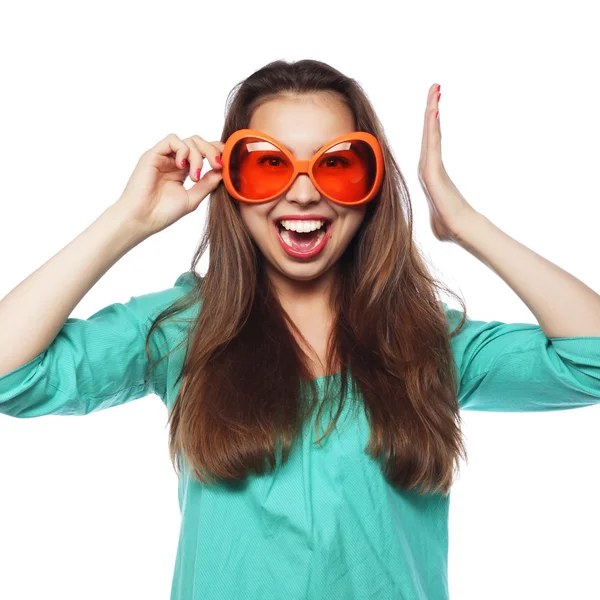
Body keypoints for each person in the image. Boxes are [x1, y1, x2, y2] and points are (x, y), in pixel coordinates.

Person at [1, 59, 600, 600]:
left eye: (337, 165)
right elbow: (9, 375)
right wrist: (126, 221)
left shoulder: (426, 342)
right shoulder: (188, 330)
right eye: (269, 165)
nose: (306, 192)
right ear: (231, 185)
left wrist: (463, 222)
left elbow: (590, 360)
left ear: (372, 187)